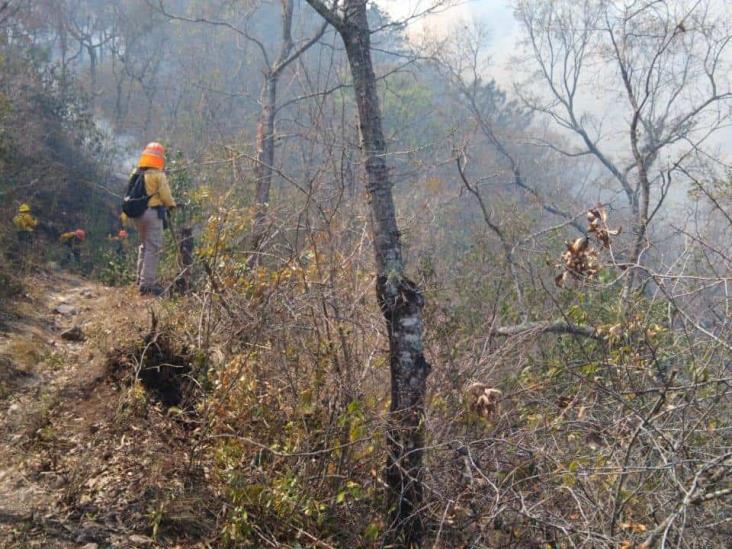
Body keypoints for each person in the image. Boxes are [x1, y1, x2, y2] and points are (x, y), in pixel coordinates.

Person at [130, 142, 176, 296]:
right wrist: (172, 205)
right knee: (153, 247)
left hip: (138, 215)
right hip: (152, 214)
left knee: (144, 246)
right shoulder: (158, 175)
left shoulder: (136, 173)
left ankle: (140, 279)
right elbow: (166, 196)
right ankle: (147, 284)